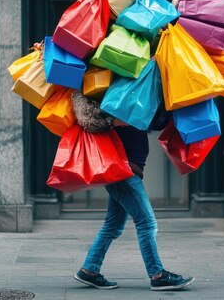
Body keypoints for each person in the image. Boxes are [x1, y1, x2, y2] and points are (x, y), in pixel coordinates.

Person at [69, 90, 194, 291]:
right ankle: (158, 274)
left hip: (127, 169)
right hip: (122, 169)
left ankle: (89, 270)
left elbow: (154, 122)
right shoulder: (107, 89)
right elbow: (87, 117)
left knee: (113, 225)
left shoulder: (136, 88)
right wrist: (111, 120)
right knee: (146, 222)